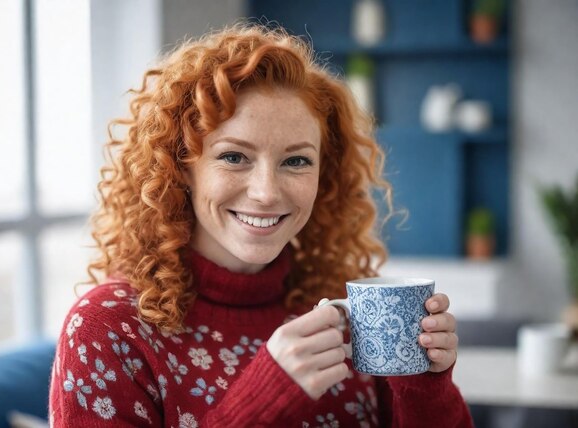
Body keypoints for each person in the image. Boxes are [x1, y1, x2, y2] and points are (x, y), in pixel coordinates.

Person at [49, 23, 473, 427]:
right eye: (234, 156)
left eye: (296, 161)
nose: (267, 192)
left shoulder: (342, 306)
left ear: (323, 176)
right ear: (180, 167)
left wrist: (425, 384)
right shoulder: (106, 331)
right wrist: (263, 401)